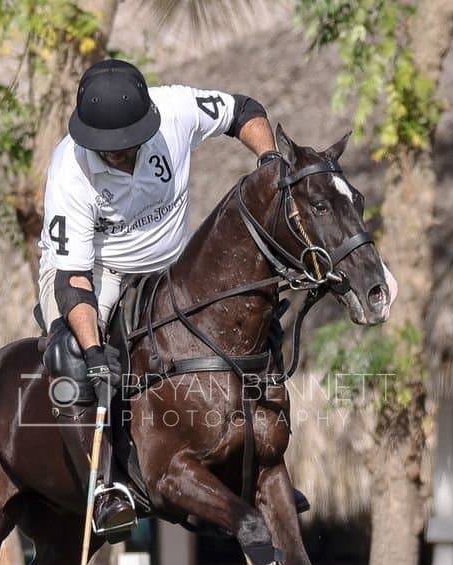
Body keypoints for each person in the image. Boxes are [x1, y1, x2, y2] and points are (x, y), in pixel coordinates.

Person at [37, 58, 284, 539]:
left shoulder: (176, 110)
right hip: (96, 271)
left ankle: (260, 468)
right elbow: (72, 281)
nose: (116, 156)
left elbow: (243, 111)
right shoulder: (69, 170)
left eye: (125, 146)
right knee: (70, 359)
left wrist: (270, 162)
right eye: (106, 149)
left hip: (174, 261)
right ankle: (105, 489)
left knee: (257, 316)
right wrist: (93, 351)